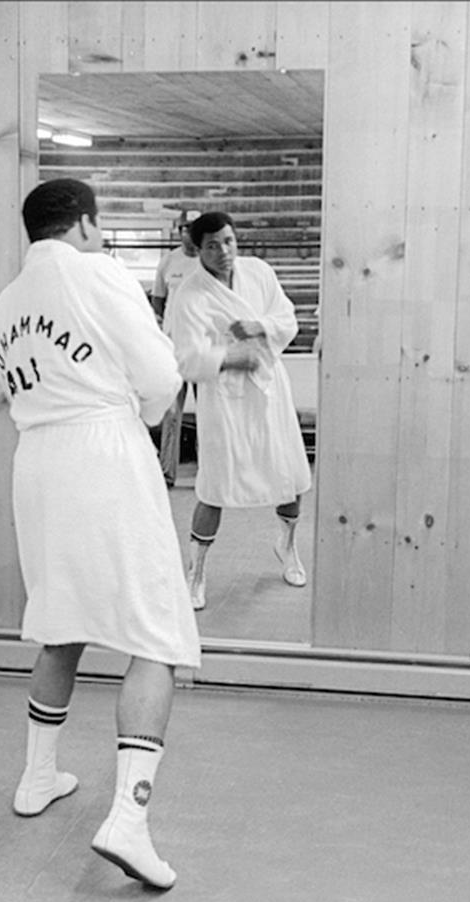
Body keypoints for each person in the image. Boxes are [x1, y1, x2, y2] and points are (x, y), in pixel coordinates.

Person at [0, 178, 201, 889]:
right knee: (157, 634)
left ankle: (37, 776)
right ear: (83, 224)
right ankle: (130, 822)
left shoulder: (7, 301)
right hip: (100, 451)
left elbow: (12, 386)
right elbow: (160, 374)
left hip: (37, 464)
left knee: (62, 620)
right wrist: (134, 411)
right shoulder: (97, 270)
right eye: (99, 226)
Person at [163, 211, 313, 610]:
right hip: (224, 400)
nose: (224, 252)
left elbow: (287, 319)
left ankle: (287, 544)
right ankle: (195, 572)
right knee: (215, 487)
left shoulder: (259, 272)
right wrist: (231, 357)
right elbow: (185, 358)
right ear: (197, 250)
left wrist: (259, 326)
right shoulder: (189, 295)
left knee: (289, 477)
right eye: (212, 245)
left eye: (228, 241)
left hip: (269, 389)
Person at [151, 210, 201, 485]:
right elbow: (158, 300)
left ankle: (209, 472)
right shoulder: (168, 261)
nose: (188, 233)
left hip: (203, 345)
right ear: (178, 231)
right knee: (171, 412)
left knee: (208, 412)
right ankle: (167, 473)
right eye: (185, 228)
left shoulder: (208, 261)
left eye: (194, 228)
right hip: (173, 348)